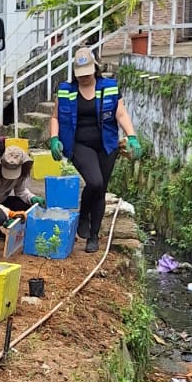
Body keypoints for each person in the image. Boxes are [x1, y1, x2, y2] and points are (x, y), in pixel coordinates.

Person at [49, 46, 140, 253]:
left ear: (95, 68)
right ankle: (83, 216)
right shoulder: (65, 89)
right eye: (80, 75)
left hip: (107, 145)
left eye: (88, 74)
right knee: (95, 181)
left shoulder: (109, 87)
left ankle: (93, 235)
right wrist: (54, 139)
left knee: (100, 190)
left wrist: (131, 136)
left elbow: (121, 114)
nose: (84, 78)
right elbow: (55, 117)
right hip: (79, 144)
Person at [0, 144, 40, 213]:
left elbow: (21, 191)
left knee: (27, 206)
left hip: (2, 201)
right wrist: (8, 216)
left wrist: (32, 198)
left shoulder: (21, 173)